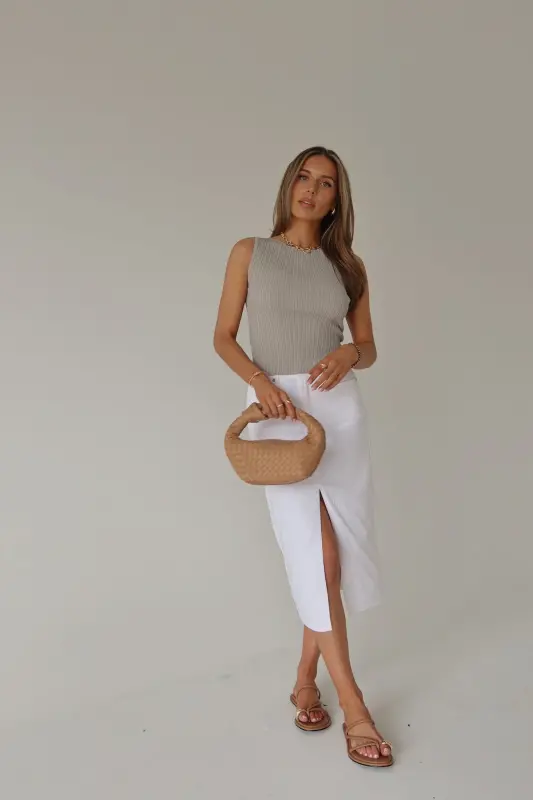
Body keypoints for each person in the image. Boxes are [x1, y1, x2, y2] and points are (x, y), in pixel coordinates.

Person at [213, 146, 393, 767]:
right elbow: (223, 336)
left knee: (335, 557)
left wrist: (350, 354)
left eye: (326, 183)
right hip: (278, 410)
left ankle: (303, 680)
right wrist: (260, 384)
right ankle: (356, 707)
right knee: (314, 554)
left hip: (337, 410)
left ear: (338, 199)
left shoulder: (349, 267)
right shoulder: (250, 252)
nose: (312, 190)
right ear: (289, 184)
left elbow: (368, 346)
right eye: (304, 178)